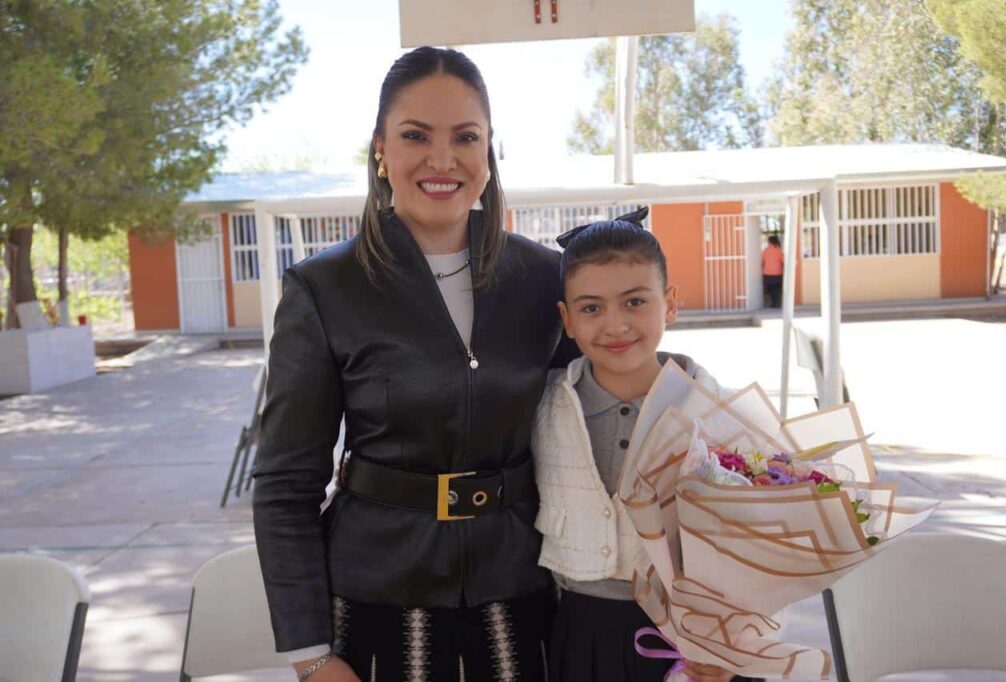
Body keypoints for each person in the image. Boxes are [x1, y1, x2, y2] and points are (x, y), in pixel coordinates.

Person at [253, 46, 574, 682]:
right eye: (415, 136)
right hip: (376, 612)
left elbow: (597, 430)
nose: (442, 159)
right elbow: (286, 483)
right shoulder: (324, 289)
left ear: (489, 149)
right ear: (379, 148)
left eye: (465, 137)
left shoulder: (546, 279)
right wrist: (310, 654)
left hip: (525, 602)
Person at [531, 208, 763, 682]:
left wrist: (730, 643)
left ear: (670, 303)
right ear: (567, 319)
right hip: (579, 637)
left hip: (695, 644)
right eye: (591, 308)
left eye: (635, 302)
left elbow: (758, 545)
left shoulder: (717, 413)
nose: (615, 325)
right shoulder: (541, 409)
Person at [761, 235, 784, 309]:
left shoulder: (765, 250)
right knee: (776, 289)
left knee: (770, 290)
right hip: (777, 273)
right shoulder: (779, 250)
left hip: (767, 273)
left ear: (769, 242)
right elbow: (783, 261)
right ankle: (777, 303)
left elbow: (762, 261)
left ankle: (773, 303)